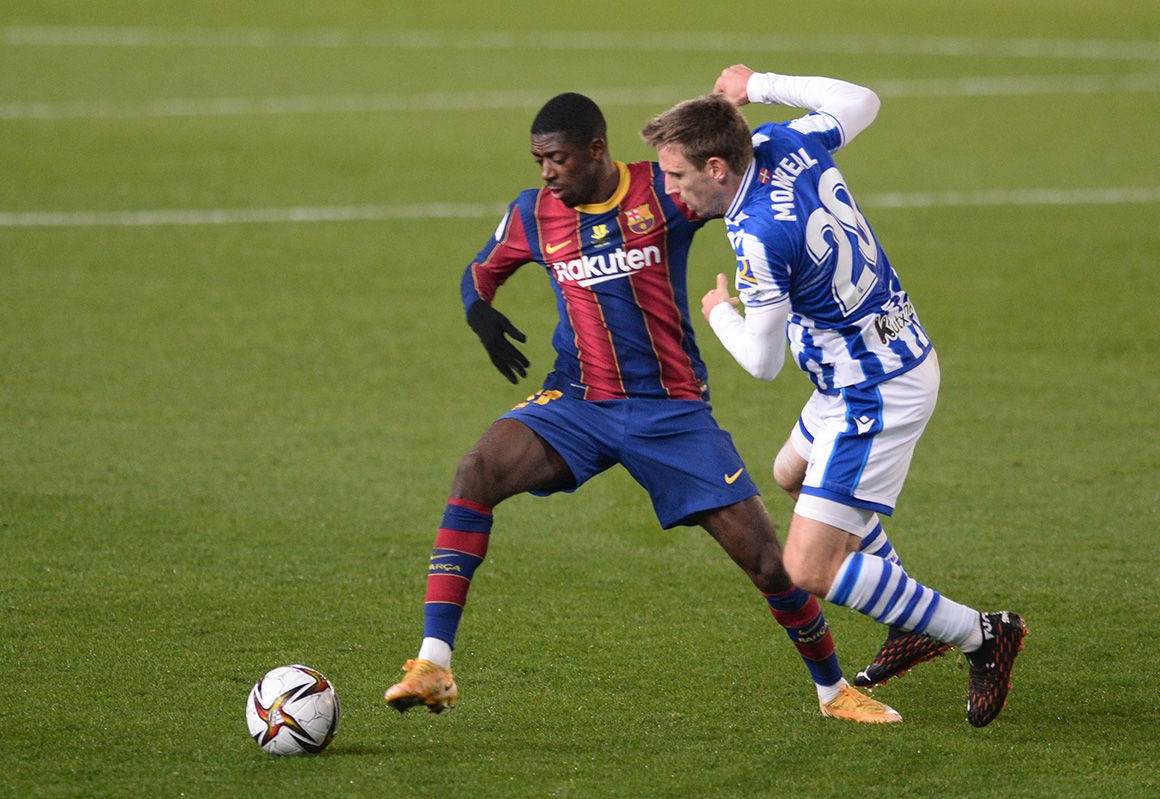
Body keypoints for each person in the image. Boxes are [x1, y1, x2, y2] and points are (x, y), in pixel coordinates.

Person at [384, 91, 902, 723]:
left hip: (671, 412)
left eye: (558, 159)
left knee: (769, 563)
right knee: (476, 472)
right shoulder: (532, 214)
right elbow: (480, 272)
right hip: (576, 403)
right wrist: (479, 313)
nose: (546, 172)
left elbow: (737, 189)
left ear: (597, 151)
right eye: (539, 159)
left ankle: (833, 691)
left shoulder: (663, 189)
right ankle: (433, 662)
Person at [640, 67, 1027, 726]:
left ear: (716, 166)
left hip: (870, 392)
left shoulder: (757, 234)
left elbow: (761, 362)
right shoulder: (786, 142)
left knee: (807, 568)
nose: (670, 189)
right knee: (791, 473)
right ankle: (908, 619)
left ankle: (979, 633)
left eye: (677, 176)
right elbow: (861, 100)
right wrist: (758, 82)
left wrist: (715, 309)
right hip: (873, 360)